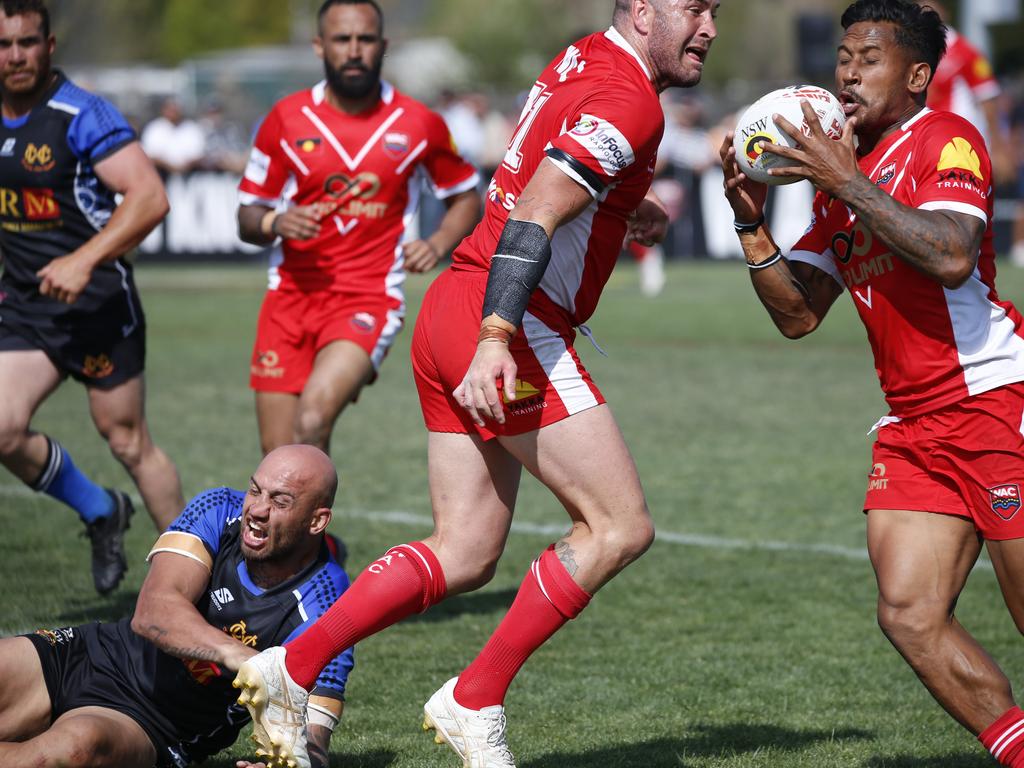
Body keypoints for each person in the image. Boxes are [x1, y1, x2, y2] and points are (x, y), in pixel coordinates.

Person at [231, 2, 719, 767]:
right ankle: (476, 695)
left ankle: (291, 667)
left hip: (453, 308)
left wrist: (624, 207)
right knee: (619, 526)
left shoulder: (586, 54)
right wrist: (498, 338)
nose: (711, 28)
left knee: (464, 553)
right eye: (696, 8)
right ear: (644, 10)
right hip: (506, 323)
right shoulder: (629, 98)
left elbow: (542, 164)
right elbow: (534, 207)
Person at [719, 1, 1024, 764]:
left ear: (918, 75)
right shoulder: (839, 181)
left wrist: (845, 181)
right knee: (911, 614)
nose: (848, 73)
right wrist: (752, 223)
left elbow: (951, 254)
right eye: (844, 58)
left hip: (992, 402)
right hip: (916, 428)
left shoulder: (945, 139)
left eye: (870, 58)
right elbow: (798, 313)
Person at [0, 444, 354, 768]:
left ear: (317, 520)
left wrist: (289, 764)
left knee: (68, 751)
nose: (257, 510)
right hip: (89, 654)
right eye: (255, 490)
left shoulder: (328, 603)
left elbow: (316, 740)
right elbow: (153, 612)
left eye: (280, 502)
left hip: (152, 724)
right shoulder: (218, 509)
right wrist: (248, 660)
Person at [237, 0, 481, 457]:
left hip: (368, 299)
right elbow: (247, 217)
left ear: (383, 47)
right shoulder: (285, 119)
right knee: (277, 461)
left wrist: (438, 242)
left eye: (365, 40)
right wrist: (275, 221)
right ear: (319, 46)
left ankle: (315, 528)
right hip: (288, 299)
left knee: (312, 419)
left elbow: (465, 197)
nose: (354, 50)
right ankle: (319, 533)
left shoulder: (419, 123)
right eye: (342, 39)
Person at [0, 0, 183, 595]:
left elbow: (150, 197)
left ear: (49, 46)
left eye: (27, 42)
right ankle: (102, 510)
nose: (16, 56)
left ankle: (197, 584)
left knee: (128, 440)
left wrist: (83, 261)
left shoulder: (81, 113)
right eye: (5, 45)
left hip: (98, 303)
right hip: (28, 308)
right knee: (2, 430)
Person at [913, 0, 1015, 185]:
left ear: (944, 13)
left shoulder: (964, 51)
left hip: (959, 141)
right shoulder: (914, 51)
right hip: (926, 136)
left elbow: (988, 99)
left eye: (931, 10)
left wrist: (998, 147)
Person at [140, 97, 207, 176]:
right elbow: (148, 154)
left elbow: (200, 154)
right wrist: (168, 166)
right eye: (170, 109)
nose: (173, 112)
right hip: (161, 174)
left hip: (189, 175)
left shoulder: (192, 128)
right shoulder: (154, 128)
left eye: (175, 109)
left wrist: (184, 166)